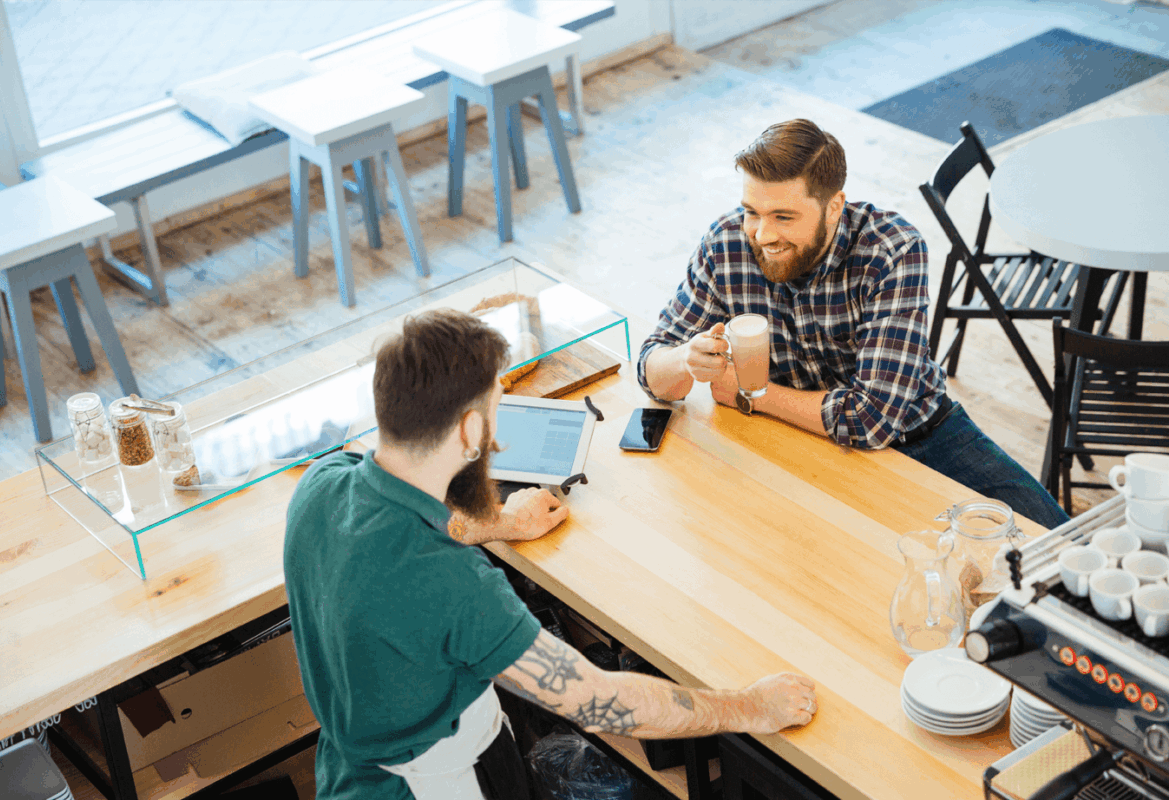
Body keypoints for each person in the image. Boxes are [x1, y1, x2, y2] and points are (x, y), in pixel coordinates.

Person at [284, 308, 818, 800]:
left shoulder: (320, 488)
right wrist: (752, 706)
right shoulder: (459, 587)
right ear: (470, 429)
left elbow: (404, 532)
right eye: (495, 417)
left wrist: (502, 523)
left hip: (345, 776)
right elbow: (602, 701)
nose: (498, 442)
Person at [638, 119, 1069, 531]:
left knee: (1056, 544)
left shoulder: (892, 250)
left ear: (834, 206)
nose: (762, 234)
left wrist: (754, 395)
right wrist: (685, 360)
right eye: (752, 211)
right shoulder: (725, 244)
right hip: (787, 440)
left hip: (920, 436)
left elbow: (872, 420)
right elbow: (653, 370)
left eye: (784, 217)